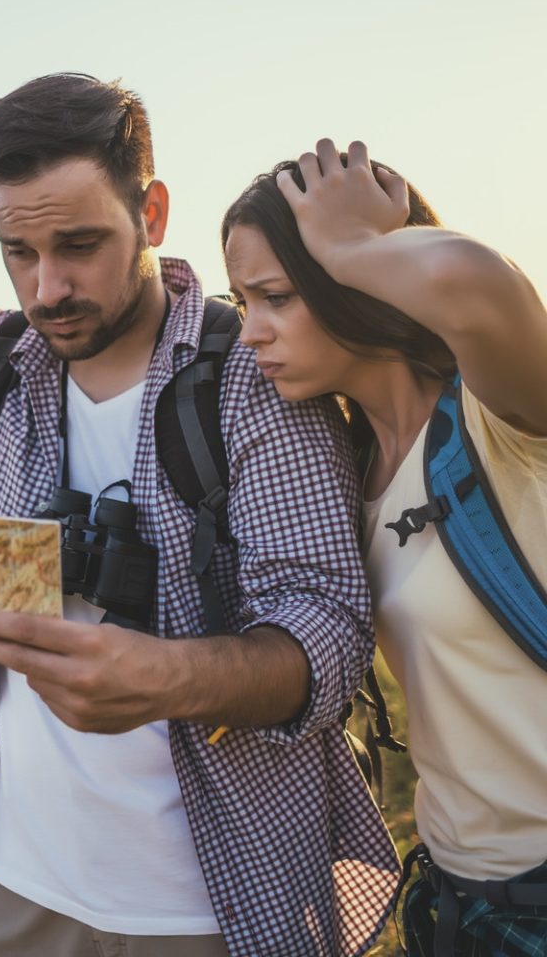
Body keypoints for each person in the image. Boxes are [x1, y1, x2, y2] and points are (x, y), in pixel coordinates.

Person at [0, 75, 399, 957]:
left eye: (80, 244)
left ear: (152, 214)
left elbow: (329, 632)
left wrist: (168, 678)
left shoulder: (256, 377)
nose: (48, 289)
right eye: (19, 251)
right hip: (24, 884)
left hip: (211, 906)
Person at [222, 139, 547, 956]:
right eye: (240, 302)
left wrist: (352, 243)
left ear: (351, 287)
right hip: (461, 898)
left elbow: (485, 294)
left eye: (275, 297)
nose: (250, 333)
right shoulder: (350, 473)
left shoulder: (498, 423)